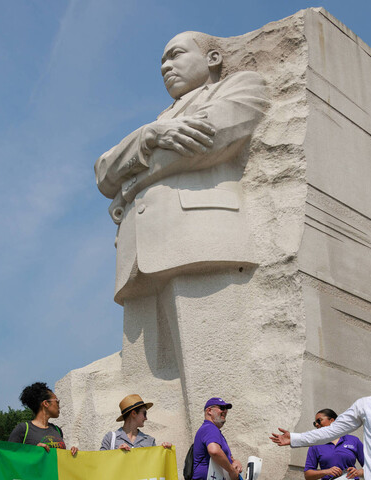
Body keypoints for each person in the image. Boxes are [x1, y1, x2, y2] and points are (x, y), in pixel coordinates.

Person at [94, 31, 270, 436]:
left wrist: (130, 181)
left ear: (211, 57)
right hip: (140, 251)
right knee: (145, 386)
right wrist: (148, 137)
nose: (165, 67)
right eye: (161, 63)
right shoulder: (158, 122)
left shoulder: (241, 86)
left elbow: (209, 141)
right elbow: (103, 173)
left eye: (175, 55)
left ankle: (224, 470)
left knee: (212, 369)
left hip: (199, 240)